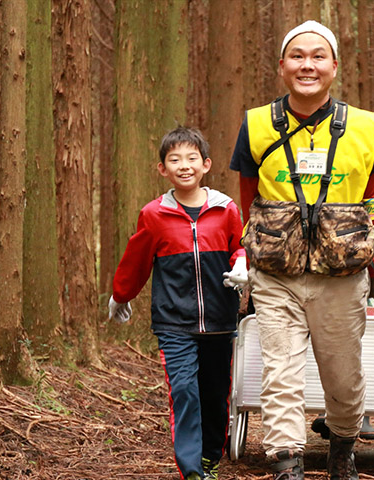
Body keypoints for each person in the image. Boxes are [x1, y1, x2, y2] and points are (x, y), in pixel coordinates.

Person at [229, 21, 374, 480]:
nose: (307, 65)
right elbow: (249, 197)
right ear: (282, 66)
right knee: (280, 370)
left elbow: (373, 201)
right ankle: (286, 463)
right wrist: (250, 253)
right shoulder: (257, 123)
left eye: (318, 56)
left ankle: (343, 444)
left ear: (334, 65)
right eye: (297, 56)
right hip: (277, 273)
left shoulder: (365, 126)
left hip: (342, 273)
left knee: (343, 376)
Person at [108, 127, 247, 480]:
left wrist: (242, 263)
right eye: (174, 160)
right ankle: (191, 469)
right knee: (184, 390)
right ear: (163, 169)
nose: (184, 166)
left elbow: (241, 246)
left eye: (191, 158)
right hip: (174, 323)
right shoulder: (154, 215)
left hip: (219, 320)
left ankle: (210, 458)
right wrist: (121, 294)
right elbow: (136, 259)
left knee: (214, 394)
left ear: (205, 164)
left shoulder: (226, 209)